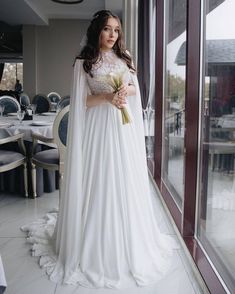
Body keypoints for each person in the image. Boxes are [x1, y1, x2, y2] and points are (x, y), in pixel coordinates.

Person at [22, 10, 178, 289]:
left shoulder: (123, 57)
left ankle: (126, 239)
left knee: (123, 181)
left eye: (116, 30)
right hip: (98, 131)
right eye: (107, 29)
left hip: (121, 130)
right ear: (97, 31)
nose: (112, 35)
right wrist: (107, 96)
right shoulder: (84, 62)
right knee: (100, 180)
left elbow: (134, 89)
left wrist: (122, 94)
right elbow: (82, 102)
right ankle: (92, 243)